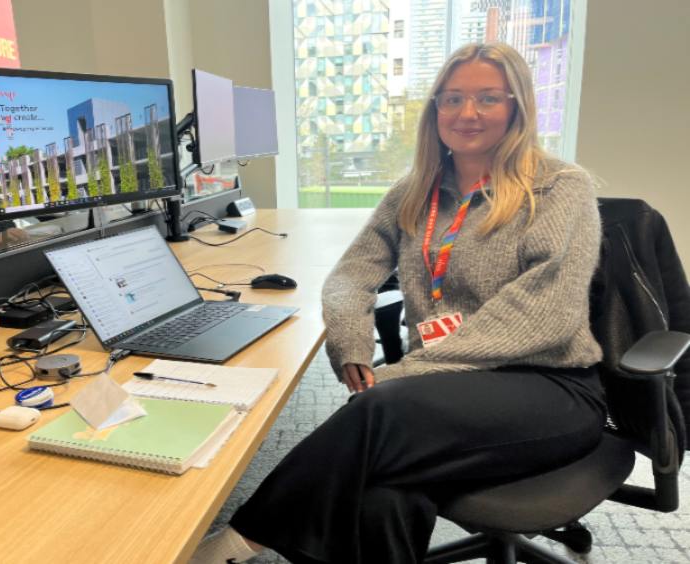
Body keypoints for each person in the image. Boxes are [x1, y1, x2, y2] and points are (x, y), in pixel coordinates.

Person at [189, 42, 606, 564]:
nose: (467, 113)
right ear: (434, 111)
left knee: (376, 411)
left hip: (546, 386)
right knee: (381, 495)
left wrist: (413, 369)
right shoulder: (414, 191)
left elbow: (544, 311)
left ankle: (240, 541)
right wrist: (352, 344)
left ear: (517, 107)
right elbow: (351, 274)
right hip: (441, 388)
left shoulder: (559, 188)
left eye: (488, 99)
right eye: (451, 99)